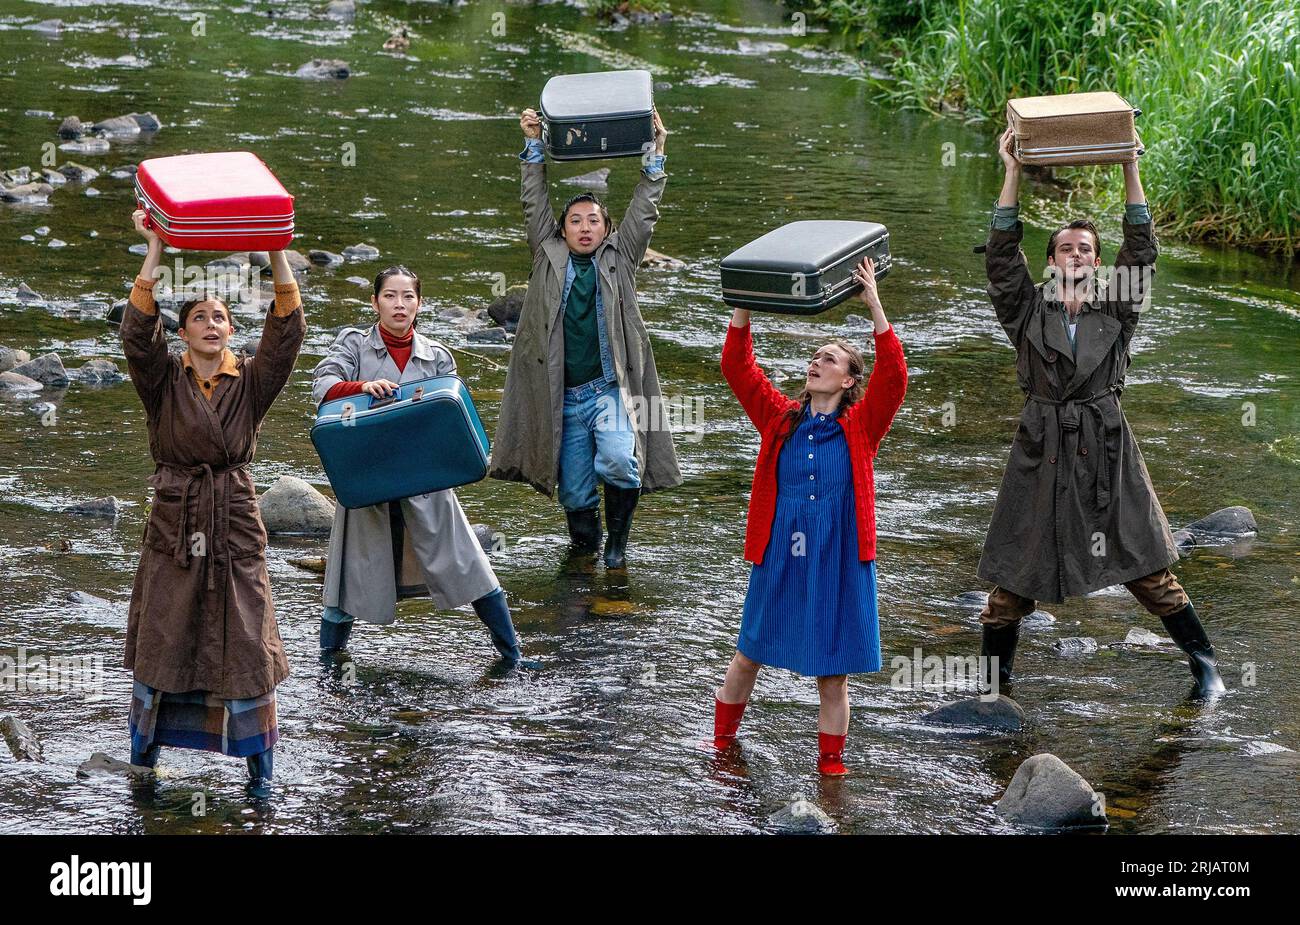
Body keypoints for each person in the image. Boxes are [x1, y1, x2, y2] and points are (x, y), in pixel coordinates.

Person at [976, 126, 1224, 697]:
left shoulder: (1118, 306)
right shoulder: (1024, 311)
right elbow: (999, 258)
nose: (1078, 254)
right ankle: (994, 691)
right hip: (1040, 449)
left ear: (1097, 262)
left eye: (1087, 248)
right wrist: (1012, 170)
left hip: (1105, 446)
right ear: (1051, 260)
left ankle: (1205, 669)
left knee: (1145, 567)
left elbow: (1142, 249)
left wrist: (1129, 165)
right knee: (1011, 581)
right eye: (1067, 246)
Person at [121, 209, 305, 796]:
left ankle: (259, 774)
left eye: (219, 317)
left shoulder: (250, 381)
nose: (209, 324)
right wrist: (154, 248)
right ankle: (143, 760)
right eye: (198, 317)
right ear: (182, 332)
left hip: (233, 524)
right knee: (166, 637)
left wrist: (277, 249)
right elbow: (135, 337)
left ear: (230, 331)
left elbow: (287, 335)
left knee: (247, 641)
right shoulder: (163, 381)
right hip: (176, 523)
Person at [711, 257, 907, 776]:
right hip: (780, 549)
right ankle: (721, 747)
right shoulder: (779, 418)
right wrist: (744, 305)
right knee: (749, 652)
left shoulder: (862, 427)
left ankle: (831, 770)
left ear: (847, 380)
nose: (814, 363)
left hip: (841, 555)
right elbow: (738, 368)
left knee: (833, 674)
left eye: (828, 359)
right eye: (814, 357)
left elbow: (895, 378)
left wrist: (874, 305)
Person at [311, 266, 539, 669]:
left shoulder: (438, 356)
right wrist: (361, 388)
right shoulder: (353, 345)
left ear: (420, 303)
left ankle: (513, 655)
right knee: (347, 581)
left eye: (408, 297)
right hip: (368, 479)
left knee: (472, 566)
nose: (400, 305)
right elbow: (322, 386)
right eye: (390, 296)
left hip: (426, 481)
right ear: (374, 301)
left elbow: (453, 424)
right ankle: (329, 663)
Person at [488, 106, 682, 569]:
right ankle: (583, 557)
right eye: (575, 220)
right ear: (562, 229)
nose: (585, 227)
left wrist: (656, 151)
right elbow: (534, 199)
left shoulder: (621, 255)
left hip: (609, 391)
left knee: (619, 459)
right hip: (562, 395)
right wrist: (534, 142)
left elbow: (645, 208)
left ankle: (616, 550)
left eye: (593, 220)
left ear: (607, 228)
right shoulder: (546, 254)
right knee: (573, 487)